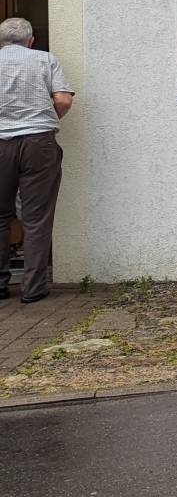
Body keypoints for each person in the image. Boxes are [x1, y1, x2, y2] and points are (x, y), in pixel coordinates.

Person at [0, 17, 73, 303]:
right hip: (38, 143)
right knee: (36, 218)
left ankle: (0, 284)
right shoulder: (45, 59)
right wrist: (45, 119)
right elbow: (63, 100)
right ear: (30, 41)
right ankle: (33, 288)